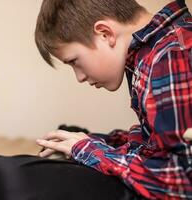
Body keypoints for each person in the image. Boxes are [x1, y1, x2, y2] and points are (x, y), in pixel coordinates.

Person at [34, 0, 192, 199]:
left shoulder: (171, 56)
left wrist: (89, 151)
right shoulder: (150, 54)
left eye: (74, 61)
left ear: (105, 33)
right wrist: (98, 142)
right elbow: (156, 141)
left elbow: (183, 181)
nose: (79, 77)